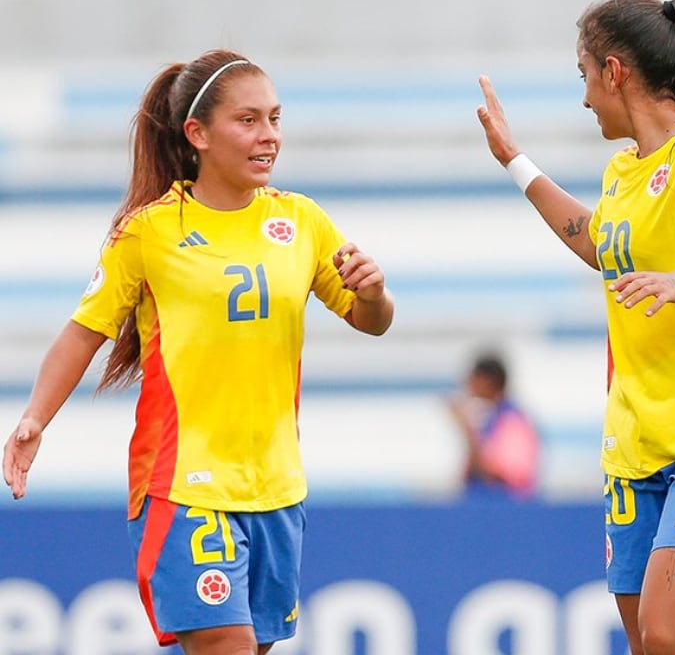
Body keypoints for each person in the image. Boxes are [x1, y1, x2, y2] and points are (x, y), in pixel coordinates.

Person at [2, 50, 395, 654]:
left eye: (275, 118)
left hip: (276, 488)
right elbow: (84, 331)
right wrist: (35, 417)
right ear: (198, 134)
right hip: (183, 485)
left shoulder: (302, 221)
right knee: (225, 644)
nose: (269, 135)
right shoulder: (149, 231)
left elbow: (371, 322)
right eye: (248, 120)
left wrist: (373, 294)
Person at [476, 0, 675, 655]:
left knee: (670, 636)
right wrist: (515, 160)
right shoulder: (623, 170)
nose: (585, 97)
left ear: (614, 72)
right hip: (634, 446)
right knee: (649, 646)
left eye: (585, 75)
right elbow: (600, 244)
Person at [446, 352, 540, 500]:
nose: (468, 384)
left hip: (505, 507)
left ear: (488, 381)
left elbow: (504, 476)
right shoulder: (492, 419)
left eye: (474, 378)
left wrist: (466, 429)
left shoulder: (512, 421)